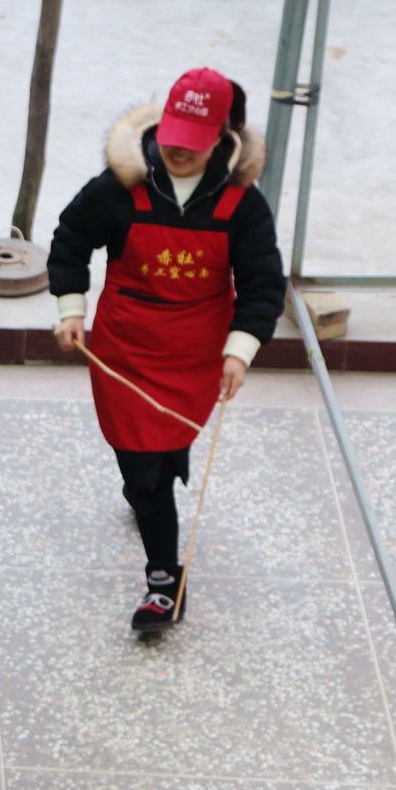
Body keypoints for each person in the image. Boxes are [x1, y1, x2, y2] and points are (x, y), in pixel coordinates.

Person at [49, 67, 285, 632]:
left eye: (194, 143)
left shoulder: (241, 206)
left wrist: (241, 349)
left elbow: (262, 283)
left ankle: (153, 497)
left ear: (224, 137)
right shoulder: (119, 187)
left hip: (195, 352)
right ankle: (164, 580)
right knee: (141, 463)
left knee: (163, 448)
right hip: (126, 350)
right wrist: (70, 307)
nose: (178, 151)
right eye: (174, 136)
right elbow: (70, 239)